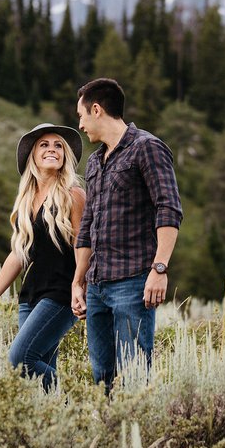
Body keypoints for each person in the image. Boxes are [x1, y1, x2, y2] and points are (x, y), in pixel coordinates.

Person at [70, 78, 182, 391]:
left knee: (133, 376)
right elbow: (88, 226)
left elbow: (169, 208)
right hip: (96, 288)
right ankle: (109, 440)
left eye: (81, 116)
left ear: (96, 109)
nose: (80, 125)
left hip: (133, 283)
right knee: (101, 376)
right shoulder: (94, 162)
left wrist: (159, 269)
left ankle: (136, 439)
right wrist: (78, 282)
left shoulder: (147, 148)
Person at [0, 123, 86, 391]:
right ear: (32, 155)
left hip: (61, 293)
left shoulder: (73, 194)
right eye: (44, 145)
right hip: (30, 295)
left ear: (65, 155)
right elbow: (19, 254)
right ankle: (57, 422)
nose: (52, 150)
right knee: (39, 369)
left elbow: (83, 242)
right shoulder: (27, 199)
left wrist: (80, 284)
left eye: (58, 146)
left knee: (20, 361)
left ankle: (72, 403)